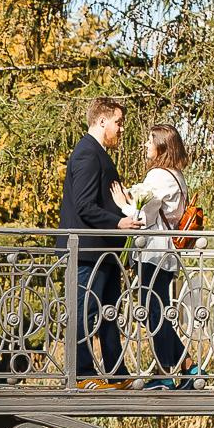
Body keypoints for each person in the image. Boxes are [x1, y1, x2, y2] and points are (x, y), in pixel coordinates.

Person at [59, 98, 141, 381]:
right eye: (118, 122)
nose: (121, 129)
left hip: (103, 252)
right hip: (87, 251)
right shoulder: (87, 153)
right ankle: (82, 374)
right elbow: (84, 205)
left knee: (109, 313)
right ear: (102, 121)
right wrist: (119, 222)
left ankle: (117, 374)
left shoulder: (97, 153)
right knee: (85, 312)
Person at [123, 124, 201, 388]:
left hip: (153, 253)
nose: (146, 145)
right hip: (167, 254)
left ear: (161, 147)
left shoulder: (158, 175)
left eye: (150, 141)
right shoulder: (177, 176)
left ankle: (167, 371)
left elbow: (142, 216)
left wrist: (123, 201)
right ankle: (186, 367)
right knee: (158, 309)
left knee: (153, 311)